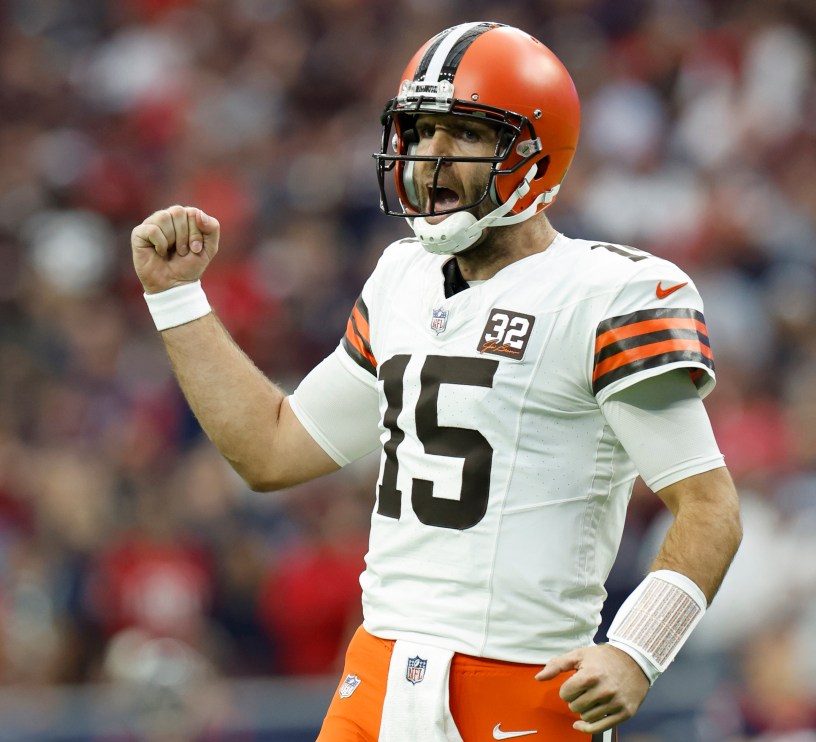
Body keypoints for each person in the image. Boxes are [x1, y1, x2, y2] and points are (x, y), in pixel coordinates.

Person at [130, 21, 742, 742]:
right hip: (378, 673)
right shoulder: (402, 277)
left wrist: (639, 648)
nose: (430, 159)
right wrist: (177, 299)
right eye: (419, 133)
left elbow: (709, 508)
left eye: (464, 135)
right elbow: (271, 450)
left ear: (534, 153)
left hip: (524, 682)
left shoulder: (608, 293)